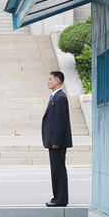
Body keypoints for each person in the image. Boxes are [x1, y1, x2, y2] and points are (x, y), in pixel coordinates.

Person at [42, 71, 72, 207]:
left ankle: (60, 199)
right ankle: (58, 198)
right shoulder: (55, 97)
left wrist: (56, 141)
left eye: (50, 79)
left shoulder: (60, 97)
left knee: (58, 170)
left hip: (57, 143)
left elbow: (60, 121)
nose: (48, 81)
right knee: (56, 170)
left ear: (57, 81)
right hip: (54, 141)